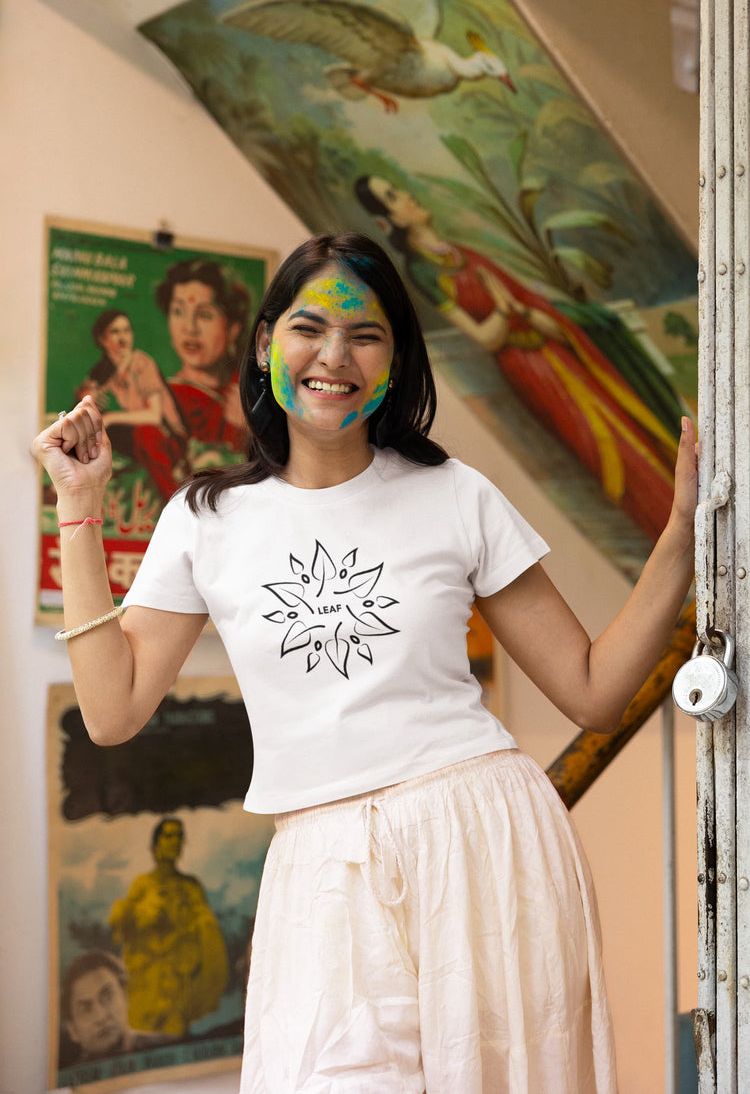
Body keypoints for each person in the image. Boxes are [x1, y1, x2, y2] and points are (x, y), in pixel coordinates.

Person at [33, 232, 697, 1093]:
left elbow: (596, 689)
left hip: (482, 843)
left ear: (395, 360)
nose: (334, 356)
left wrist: (680, 537)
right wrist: (79, 508)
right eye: (311, 327)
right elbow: (112, 711)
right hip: (319, 871)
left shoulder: (455, 495)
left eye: (366, 334)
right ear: (267, 341)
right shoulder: (206, 519)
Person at [355, 174, 688, 544]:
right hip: (531, 371)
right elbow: (486, 337)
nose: (407, 196)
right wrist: (503, 310)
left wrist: (528, 315)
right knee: (610, 450)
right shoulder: (422, 272)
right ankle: (675, 539)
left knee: (636, 425)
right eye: (393, 196)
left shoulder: (463, 251)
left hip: (560, 354)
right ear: (389, 221)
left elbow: (533, 308)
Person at [109, 816, 230, 1036]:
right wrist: (138, 913)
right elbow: (121, 930)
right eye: (169, 836)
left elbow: (208, 934)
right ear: (156, 844)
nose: (175, 842)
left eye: (179, 837)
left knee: (176, 1037)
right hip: (147, 985)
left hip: (178, 986)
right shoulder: (143, 885)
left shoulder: (191, 887)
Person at [76, 308, 188, 500]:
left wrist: (110, 418)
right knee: (87, 427)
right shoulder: (104, 371)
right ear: (102, 340)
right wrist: (86, 396)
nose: (123, 338)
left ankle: (173, 500)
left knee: (144, 433)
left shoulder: (141, 363)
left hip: (167, 438)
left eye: (126, 330)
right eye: (115, 332)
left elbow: (154, 416)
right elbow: (85, 394)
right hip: (136, 438)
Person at [155, 258, 251, 458]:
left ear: (233, 329)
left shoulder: (250, 398)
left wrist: (248, 429)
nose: (189, 328)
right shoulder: (160, 399)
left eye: (205, 315)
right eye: (178, 311)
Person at [60, 949, 178, 1063]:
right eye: (85, 1009)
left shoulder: (172, 1047)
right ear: (73, 1030)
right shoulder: (71, 1081)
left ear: (125, 996)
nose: (101, 1016)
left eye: (107, 997)